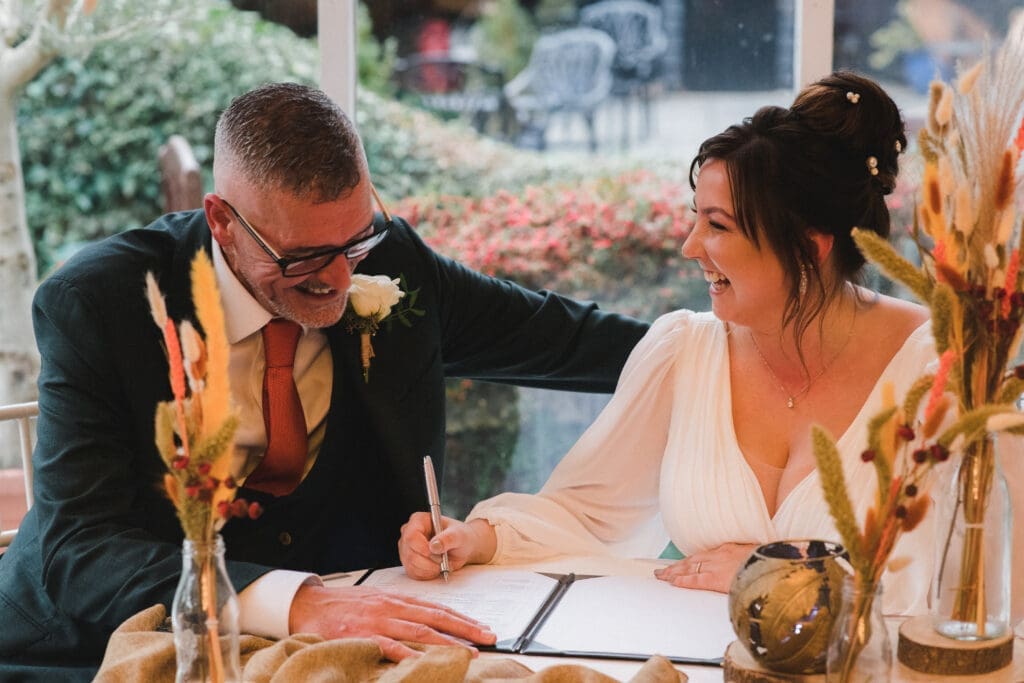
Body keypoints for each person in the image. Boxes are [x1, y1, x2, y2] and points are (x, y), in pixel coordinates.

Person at [0, 82, 649, 680]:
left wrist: (721, 342)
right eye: (305, 257)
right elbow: (79, 548)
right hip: (103, 645)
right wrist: (299, 601)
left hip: (337, 650)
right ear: (223, 221)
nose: (340, 279)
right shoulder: (101, 302)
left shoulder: (394, 267)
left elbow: (563, 338)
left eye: (356, 242)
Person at [399, 71, 938, 615]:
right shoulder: (686, 350)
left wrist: (779, 574)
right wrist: (473, 538)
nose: (688, 247)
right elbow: (587, 510)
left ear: (807, 248)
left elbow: (953, 574)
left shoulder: (932, 365)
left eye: (718, 226)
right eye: (694, 219)